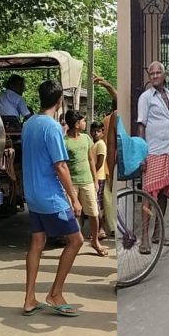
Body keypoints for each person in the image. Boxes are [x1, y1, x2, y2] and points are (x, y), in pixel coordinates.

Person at [22, 80, 83, 317]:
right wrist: (74, 199)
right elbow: (61, 166)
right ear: (59, 102)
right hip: (50, 197)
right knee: (76, 240)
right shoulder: (52, 127)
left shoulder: (29, 124)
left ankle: (29, 299)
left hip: (33, 195)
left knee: (37, 243)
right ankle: (55, 293)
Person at [137, 61, 169, 251]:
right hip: (152, 151)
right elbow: (141, 125)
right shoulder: (146, 97)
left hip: (168, 151)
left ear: (164, 75)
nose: (154, 76)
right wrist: (142, 153)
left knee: (163, 193)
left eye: (157, 73)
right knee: (148, 195)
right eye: (151, 73)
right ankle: (144, 236)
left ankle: (157, 234)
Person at [64, 110, 107, 257]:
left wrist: (95, 180)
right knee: (73, 215)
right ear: (77, 124)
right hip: (72, 183)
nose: (85, 123)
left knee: (94, 213)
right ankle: (75, 241)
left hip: (87, 181)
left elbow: (90, 160)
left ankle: (95, 241)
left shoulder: (86, 139)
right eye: (83, 121)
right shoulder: (65, 142)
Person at [93, 74, 118, 236]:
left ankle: (110, 227)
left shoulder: (107, 119)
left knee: (106, 198)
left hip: (108, 163)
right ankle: (113, 227)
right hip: (111, 161)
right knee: (106, 198)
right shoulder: (114, 118)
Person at [90, 121, 108, 240]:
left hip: (99, 177)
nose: (95, 133)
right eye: (94, 131)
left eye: (98, 131)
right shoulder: (94, 144)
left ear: (102, 132)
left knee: (97, 205)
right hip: (96, 177)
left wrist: (93, 175)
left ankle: (100, 230)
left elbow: (100, 163)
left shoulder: (101, 144)